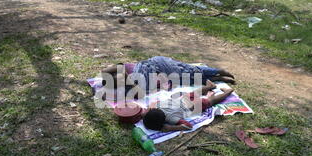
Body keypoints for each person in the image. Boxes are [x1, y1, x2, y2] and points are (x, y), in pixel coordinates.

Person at [100, 56, 235, 91]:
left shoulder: (131, 74)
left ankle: (218, 72)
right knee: (189, 74)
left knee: (190, 72)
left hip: (162, 67)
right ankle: (219, 76)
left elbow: (106, 72)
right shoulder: (134, 80)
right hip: (163, 69)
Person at [142, 81, 234, 132]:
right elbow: (154, 104)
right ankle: (210, 87)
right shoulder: (158, 105)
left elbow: (188, 126)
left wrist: (172, 128)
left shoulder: (171, 119)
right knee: (196, 92)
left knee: (211, 101)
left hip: (193, 106)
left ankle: (228, 91)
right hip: (185, 100)